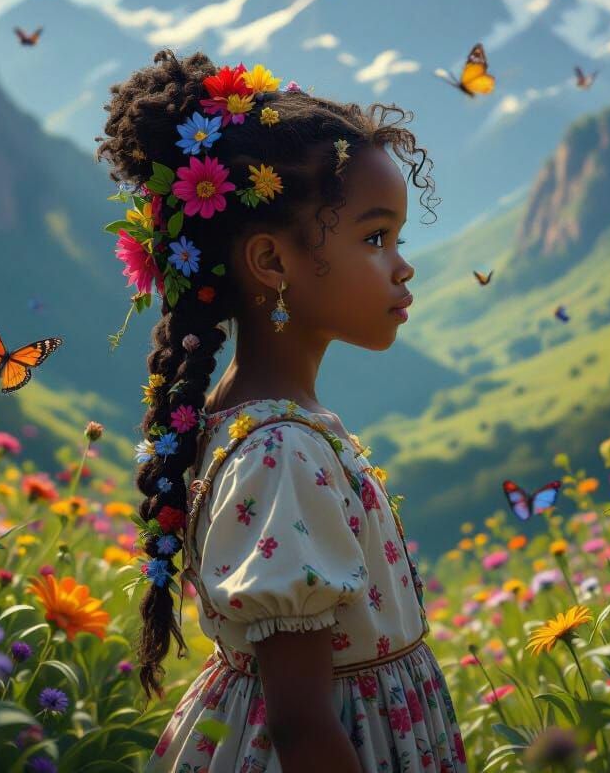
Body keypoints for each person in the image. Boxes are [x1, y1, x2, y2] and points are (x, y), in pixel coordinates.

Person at [95, 50, 467, 772]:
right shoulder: (281, 453)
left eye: (398, 238)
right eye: (373, 237)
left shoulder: (254, 421)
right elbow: (303, 729)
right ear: (271, 263)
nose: (402, 264)